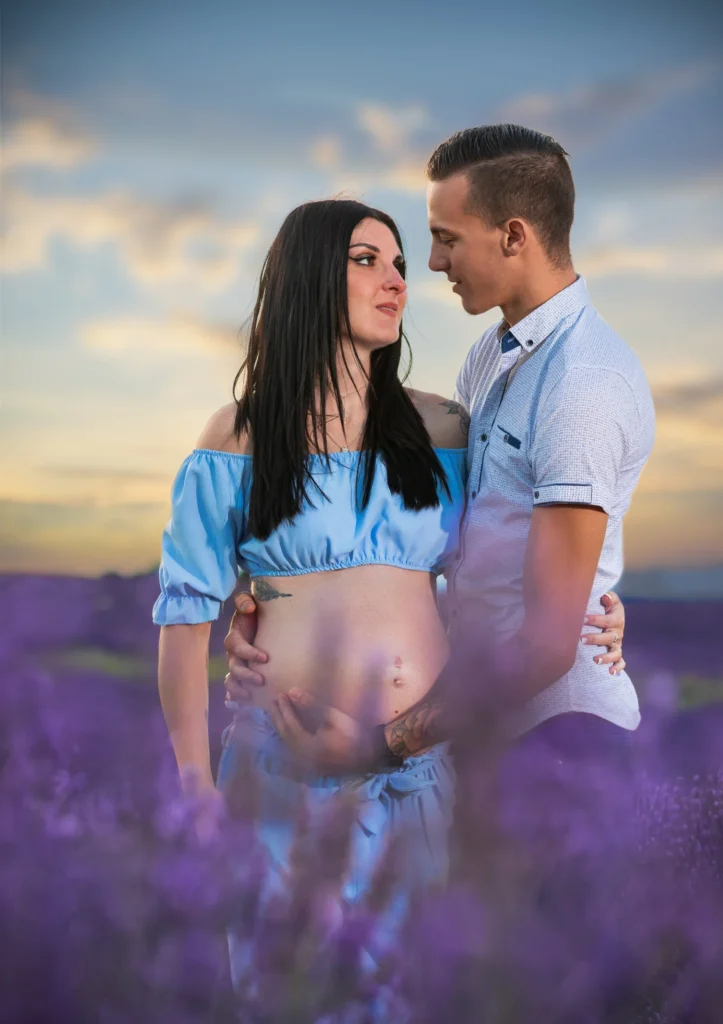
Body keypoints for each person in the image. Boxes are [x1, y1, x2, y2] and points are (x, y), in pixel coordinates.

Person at [153, 193, 627, 994]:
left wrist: (601, 609)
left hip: (421, 766)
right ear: (309, 277)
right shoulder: (234, 437)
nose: (398, 279)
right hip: (279, 775)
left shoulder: (444, 428)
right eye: (367, 261)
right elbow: (183, 618)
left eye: (402, 263)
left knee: (420, 1000)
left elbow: (530, 548)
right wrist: (196, 790)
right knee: (291, 997)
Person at [224, 124, 649, 778]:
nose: (429, 265)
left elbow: (546, 646)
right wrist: (275, 611)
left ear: (513, 236)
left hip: (559, 739)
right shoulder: (490, 360)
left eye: (446, 239)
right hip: (484, 730)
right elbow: (450, 550)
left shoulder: (581, 384)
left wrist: (377, 747)